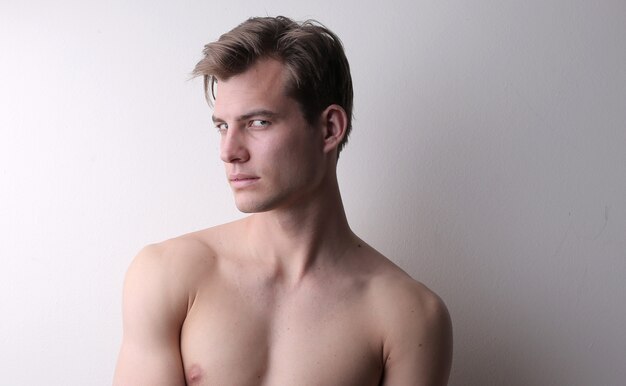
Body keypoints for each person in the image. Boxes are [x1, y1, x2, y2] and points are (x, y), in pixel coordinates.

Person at [113, 16, 452, 386]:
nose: (228, 152)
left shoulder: (409, 317)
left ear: (329, 129)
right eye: (222, 126)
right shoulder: (169, 275)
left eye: (258, 123)